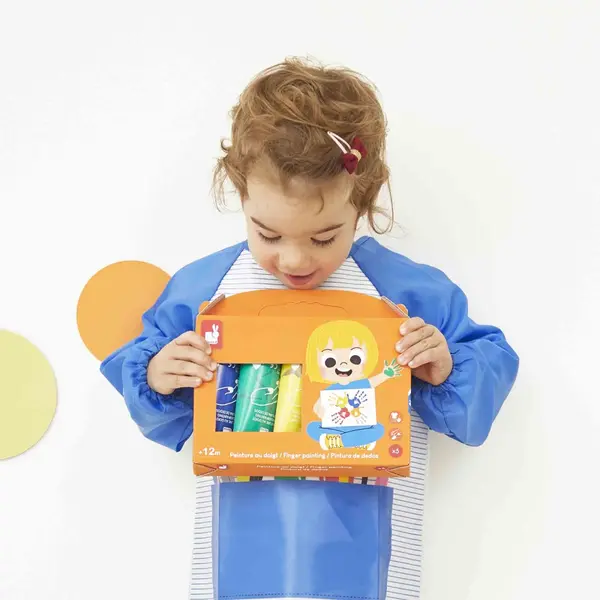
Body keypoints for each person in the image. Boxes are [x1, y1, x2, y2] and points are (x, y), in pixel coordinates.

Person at [100, 57, 519, 600]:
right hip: (238, 551)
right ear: (241, 196)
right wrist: (160, 375)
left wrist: (445, 366)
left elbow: (483, 379)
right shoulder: (207, 291)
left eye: (323, 238)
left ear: (362, 202)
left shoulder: (403, 292)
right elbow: (157, 405)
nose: (294, 260)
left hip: (370, 552)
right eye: (268, 234)